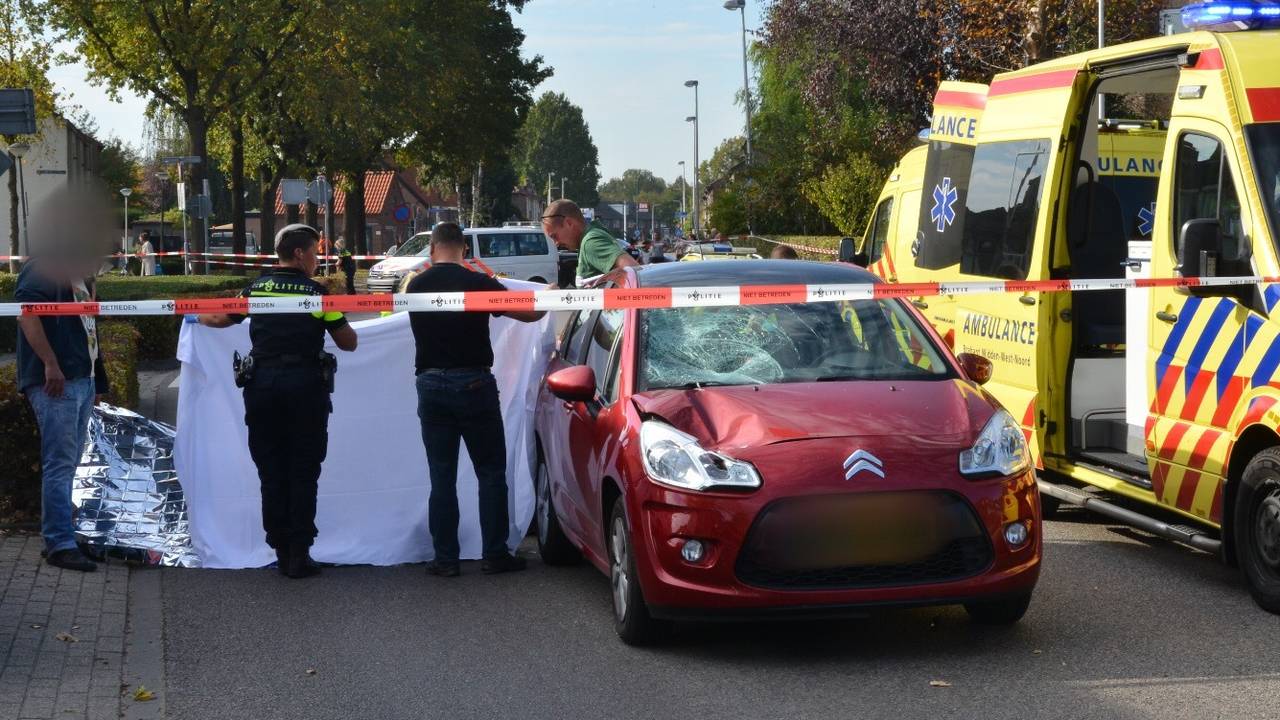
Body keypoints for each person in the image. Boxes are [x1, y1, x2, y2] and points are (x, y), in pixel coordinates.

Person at [198, 224, 358, 579]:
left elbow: (218, 318)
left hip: (263, 387)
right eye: (316, 253)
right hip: (305, 387)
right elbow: (348, 341)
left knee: (271, 471)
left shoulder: (256, 289)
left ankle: (281, 548)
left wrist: (191, 316)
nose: (318, 260)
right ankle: (300, 553)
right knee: (304, 470)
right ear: (300, 254)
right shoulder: (317, 294)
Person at [407, 222, 545, 577]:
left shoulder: (416, 285)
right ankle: (495, 555)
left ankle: (445, 559)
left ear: (433, 249)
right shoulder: (478, 283)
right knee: (490, 472)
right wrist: (552, 295)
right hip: (474, 384)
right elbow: (531, 313)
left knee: (442, 476)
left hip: (431, 384)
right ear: (464, 250)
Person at [16, 247, 110, 572]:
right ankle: (60, 542)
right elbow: (27, 313)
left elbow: (88, 331)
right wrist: (50, 364)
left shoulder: (78, 275)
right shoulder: (43, 267)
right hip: (59, 380)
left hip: (79, 378)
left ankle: (63, 534)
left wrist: (97, 381)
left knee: (68, 463)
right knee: (60, 463)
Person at [540, 199, 637, 286]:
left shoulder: (590, 242)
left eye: (554, 236)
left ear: (568, 223)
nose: (556, 243)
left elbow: (634, 271)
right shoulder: (591, 236)